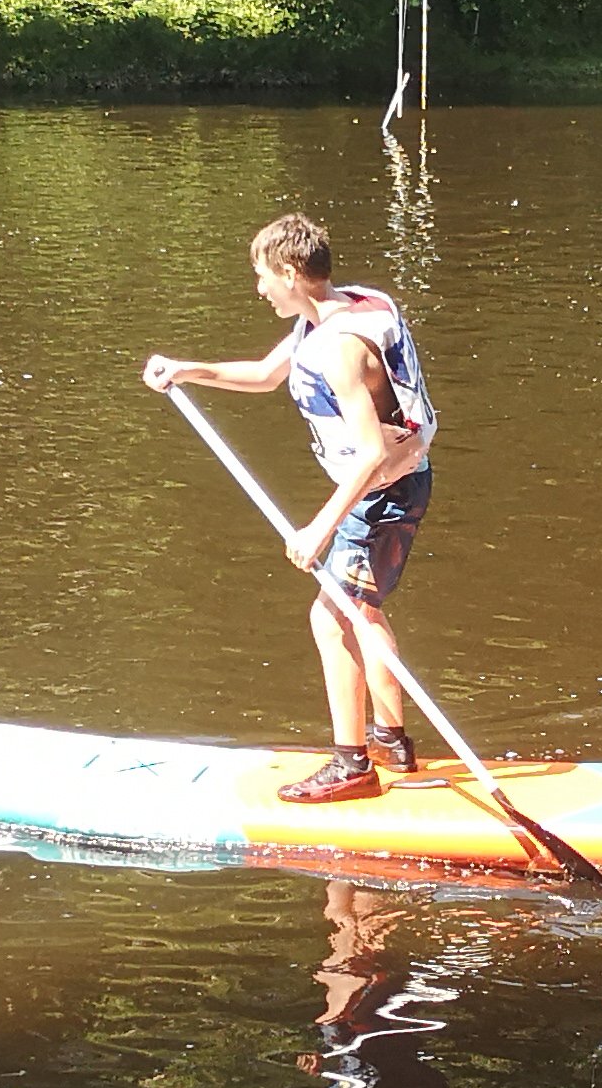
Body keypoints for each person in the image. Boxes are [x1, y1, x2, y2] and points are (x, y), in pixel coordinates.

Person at [142, 215, 440, 802]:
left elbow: (372, 453)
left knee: (330, 619)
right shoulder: (339, 310)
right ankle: (391, 741)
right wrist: (187, 372)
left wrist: (316, 530)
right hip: (384, 487)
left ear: (289, 273)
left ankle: (352, 766)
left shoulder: (341, 351)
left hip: (382, 493)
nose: (258, 289)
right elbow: (263, 375)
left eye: (261, 276)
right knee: (363, 612)